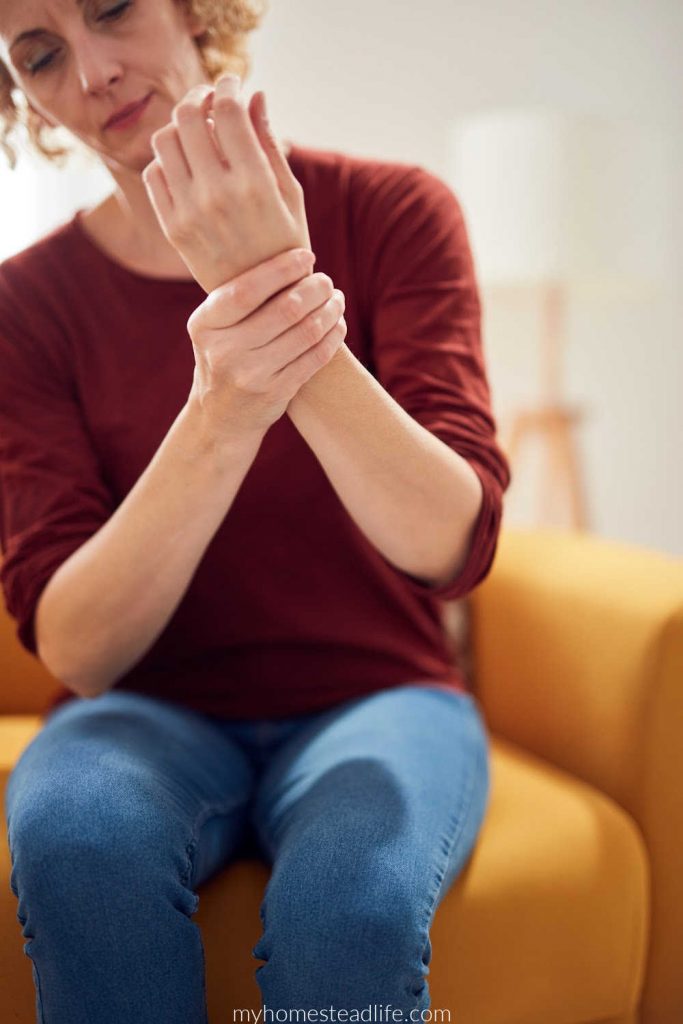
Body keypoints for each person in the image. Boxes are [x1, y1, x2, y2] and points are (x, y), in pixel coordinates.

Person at [0, 1, 511, 1022]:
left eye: (112, 7)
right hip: (143, 706)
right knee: (77, 843)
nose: (93, 72)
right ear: (28, 102)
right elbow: (83, 649)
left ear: (195, 9)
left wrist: (265, 286)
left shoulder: (392, 211)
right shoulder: (24, 308)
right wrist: (223, 402)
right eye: (42, 55)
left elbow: (446, 543)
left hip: (379, 693)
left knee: (348, 908)